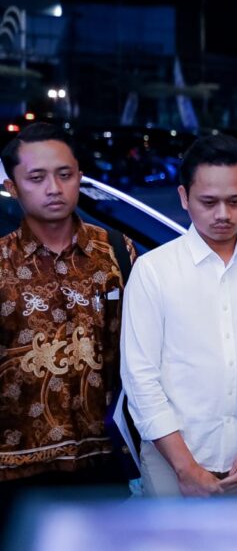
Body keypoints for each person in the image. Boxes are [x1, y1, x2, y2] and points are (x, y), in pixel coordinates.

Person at [121, 134, 237, 496]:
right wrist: (185, 468)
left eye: (234, 201)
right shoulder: (154, 270)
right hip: (171, 461)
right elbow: (140, 378)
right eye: (208, 202)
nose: (222, 214)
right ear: (184, 197)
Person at [0, 123, 135, 525]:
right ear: (12, 187)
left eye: (64, 174)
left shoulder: (116, 252)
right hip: (16, 468)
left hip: (104, 460)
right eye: (37, 178)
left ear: (79, 177)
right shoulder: (2, 262)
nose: (54, 188)